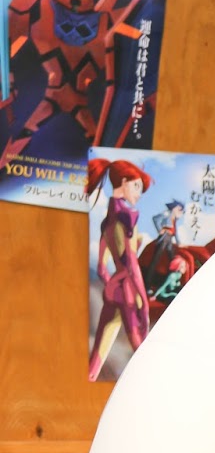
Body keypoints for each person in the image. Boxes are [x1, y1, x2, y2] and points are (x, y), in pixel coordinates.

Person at [86, 157, 153, 381]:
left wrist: (112, 284)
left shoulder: (107, 221)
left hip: (114, 286)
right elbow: (131, 263)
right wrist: (141, 296)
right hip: (128, 288)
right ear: (123, 182)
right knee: (141, 348)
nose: (138, 194)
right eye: (136, 186)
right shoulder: (128, 216)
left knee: (98, 353)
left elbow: (101, 267)